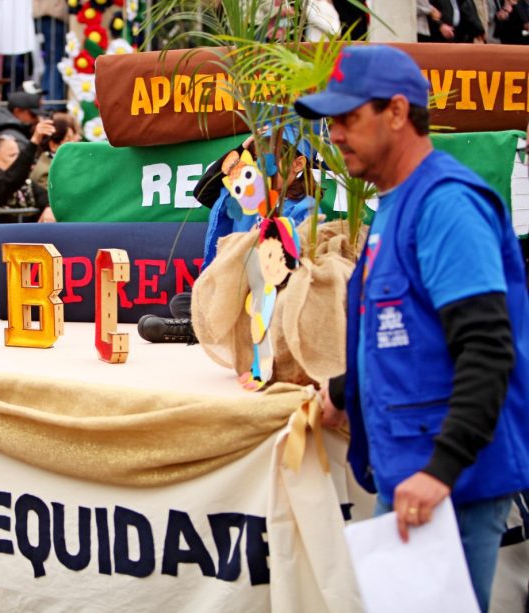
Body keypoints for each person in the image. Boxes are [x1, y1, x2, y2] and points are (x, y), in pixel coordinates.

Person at [293, 45, 528, 613]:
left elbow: (486, 348)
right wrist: (346, 390)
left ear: (397, 112)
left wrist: (442, 470)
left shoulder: (445, 206)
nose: (337, 134)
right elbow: (406, 337)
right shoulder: (397, 205)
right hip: (414, 475)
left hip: (447, 485)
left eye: (349, 118)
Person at [138, 129, 317, 344]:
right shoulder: (249, 195)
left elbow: (292, 261)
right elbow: (203, 191)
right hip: (233, 288)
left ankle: (193, 329)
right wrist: (241, 149)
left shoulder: (304, 207)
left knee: (274, 306)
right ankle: (215, 328)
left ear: (297, 164)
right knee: (184, 301)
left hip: (270, 291)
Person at [0, 120, 56, 291]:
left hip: (24, 260)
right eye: (13, 156)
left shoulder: (25, 181)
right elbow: (12, 178)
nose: (20, 162)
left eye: (19, 155)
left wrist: (48, 207)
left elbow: (43, 195)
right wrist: (33, 142)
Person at [29, 112, 78, 190]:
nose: (75, 143)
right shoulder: (46, 173)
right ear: (54, 145)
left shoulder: (54, 163)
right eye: (69, 139)